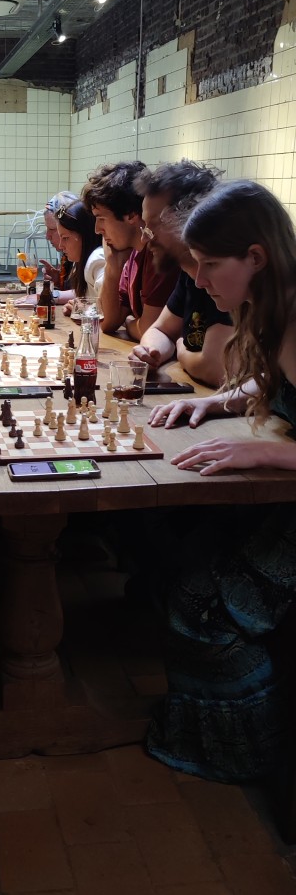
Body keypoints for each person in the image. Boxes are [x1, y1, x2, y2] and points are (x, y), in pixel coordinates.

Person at [142, 179, 296, 783]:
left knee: (200, 599)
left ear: (255, 257)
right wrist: (217, 402)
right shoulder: (277, 306)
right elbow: (275, 381)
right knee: (175, 546)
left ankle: (251, 753)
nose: (199, 280)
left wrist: (268, 455)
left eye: (209, 265)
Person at [128, 161, 232, 387]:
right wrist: (151, 351)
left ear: (190, 219)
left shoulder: (226, 277)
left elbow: (214, 369)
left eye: (153, 225)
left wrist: (181, 348)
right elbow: (161, 329)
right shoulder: (189, 273)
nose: (144, 238)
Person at [83, 161, 179, 339]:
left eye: (101, 218)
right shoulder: (132, 253)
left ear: (131, 215)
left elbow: (149, 329)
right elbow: (107, 322)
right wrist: (112, 266)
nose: (97, 229)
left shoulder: (158, 254)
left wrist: (128, 322)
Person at [55, 199, 106, 315]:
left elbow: (109, 312)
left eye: (65, 238)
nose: (61, 245)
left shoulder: (97, 259)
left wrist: (84, 310)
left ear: (85, 235)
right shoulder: (80, 261)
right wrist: (79, 307)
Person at [39, 191, 77, 297]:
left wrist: (54, 295)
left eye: (52, 229)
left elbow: (88, 294)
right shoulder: (67, 257)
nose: (47, 236)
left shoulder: (93, 257)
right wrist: (58, 280)